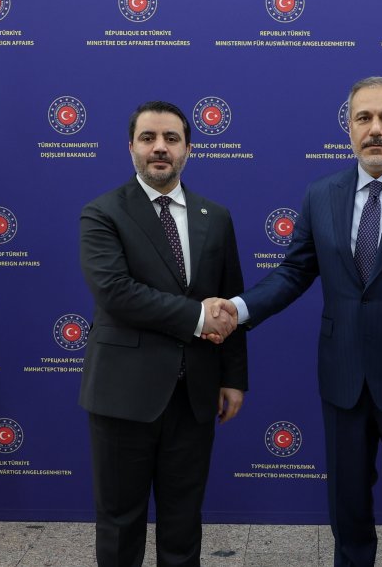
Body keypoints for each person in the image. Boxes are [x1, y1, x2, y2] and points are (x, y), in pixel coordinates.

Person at [216, 76, 382, 567]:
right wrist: (239, 309)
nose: (375, 129)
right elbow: (294, 271)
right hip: (342, 377)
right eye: (364, 119)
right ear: (348, 129)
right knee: (347, 509)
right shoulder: (322, 194)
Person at [78, 100, 248, 567]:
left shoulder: (217, 217)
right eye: (149, 138)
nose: (160, 148)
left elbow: (230, 302)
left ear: (188, 149)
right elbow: (116, 293)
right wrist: (196, 317)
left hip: (193, 396)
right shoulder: (102, 213)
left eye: (171, 139)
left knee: (183, 521)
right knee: (119, 523)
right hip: (122, 397)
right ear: (130, 147)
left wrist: (233, 378)